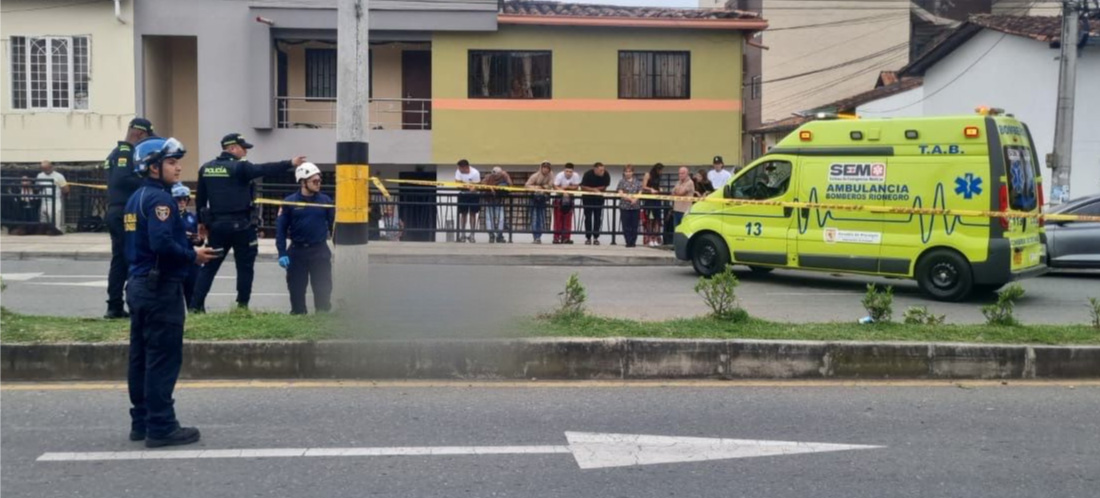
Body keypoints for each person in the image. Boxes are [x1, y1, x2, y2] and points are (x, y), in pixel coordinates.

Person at [124, 137, 218, 448]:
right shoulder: (161, 201)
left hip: (138, 284)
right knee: (162, 358)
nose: (178, 167)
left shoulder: (135, 198)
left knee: (140, 357)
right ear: (153, 167)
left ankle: (142, 421)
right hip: (159, 287)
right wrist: (193, 256)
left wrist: (186, 248)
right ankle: (161, 426)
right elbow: (161, 243)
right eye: (171, 162)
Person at [189, 133, 305, 313]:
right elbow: (264, 169)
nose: (246, 152)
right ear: (232, 148)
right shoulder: (240, 167)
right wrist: (290, 163)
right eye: (244, 148)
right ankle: (242, 306)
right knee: (245, 267)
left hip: (217, 227)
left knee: (209, 266)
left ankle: (196, 306)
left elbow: (200, 200)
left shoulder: (206, 168)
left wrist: (201, 224)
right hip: (242, 226)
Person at [104, 118, 154, 319]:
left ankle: (116, 305)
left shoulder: (115, 152)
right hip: (123, 211)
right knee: (129, 257)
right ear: (141, 134)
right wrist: (147, 181)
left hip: (118, 210)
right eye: (148, 136)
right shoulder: (125, 152)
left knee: (121, 259)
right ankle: (123, 304)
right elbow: (122, 179)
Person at [275, 163, 334, 315]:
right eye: (314, 181)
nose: (318, 184)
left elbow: (334, 227)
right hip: (297, 251)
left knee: (323, 286)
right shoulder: (289, 202)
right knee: (296, 288)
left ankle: (322, 314)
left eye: (319, 180)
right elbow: (280, 230)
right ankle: (298, 315)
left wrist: (338, 247)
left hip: (319, 250)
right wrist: (281, 252)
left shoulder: (326, 201)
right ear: (303, 182)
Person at [172, 183, 204, 309]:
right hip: (174, 258)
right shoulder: (168, 217)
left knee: (195, 297)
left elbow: (200, 239)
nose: (182, 202)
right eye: (178, 199)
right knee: (173, 300)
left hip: (190, 259)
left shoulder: (191, 217)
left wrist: (198, 240)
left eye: (185, 199)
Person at [580, 162, 611, 245]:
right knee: (588, 218)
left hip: (599, 199)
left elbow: (605, 186)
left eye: (603, 170)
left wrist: (596, 190)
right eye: (600, 170)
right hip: (587, 198)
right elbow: (582, 186)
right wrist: (593, 190)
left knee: (598, 218)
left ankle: (596, 237)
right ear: (595, 169)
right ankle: (588, 237)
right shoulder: (588, 174)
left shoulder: (606, 174)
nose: (602, 172)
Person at [525, 161, 554, 244]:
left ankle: (539, 237)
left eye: (547, 168)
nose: (546, 170)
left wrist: (544, 188)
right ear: (541, 168)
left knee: (541, 218)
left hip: (543, 200)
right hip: (534, 199)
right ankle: (535, 237)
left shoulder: (551, 176)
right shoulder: (535, 176)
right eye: (544, 168)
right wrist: (536, 187)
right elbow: (527, 185)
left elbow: (550, 185)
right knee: (534, 218)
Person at [36, 160, 69, 232]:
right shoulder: (40, 175)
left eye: (47, 168)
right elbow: (37, 187)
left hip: (55, 201)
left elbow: (66, 189)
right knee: (43, 219)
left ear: (51, 167)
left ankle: (56, 231)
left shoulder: (59, 176)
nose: (46, 170)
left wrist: (64, 196)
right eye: (44, 169)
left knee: (55, 219)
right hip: (43, 200)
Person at [481, 166, 512, 243]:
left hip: (499, 200)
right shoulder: (489, 177)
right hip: (489, 199)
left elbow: (510, 184)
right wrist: (490, 188)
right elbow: (482, 184)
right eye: (493, 174)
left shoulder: (504, 176)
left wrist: (506, 178)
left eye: (497, 175)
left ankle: (499, 235)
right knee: (489, 218)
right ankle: (491, 235)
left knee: (501, 218)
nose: (495, 176)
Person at [552, 162, 581, 244]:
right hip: (559, 199)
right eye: (567, 171)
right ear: (564, 171)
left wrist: (567, 187)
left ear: (573, 171)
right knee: (558, 219)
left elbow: (576, 187)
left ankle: (566, 238)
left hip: (570, 199)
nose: (568, 173)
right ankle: (556, 238)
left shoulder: (576, 176)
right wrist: (562, 191)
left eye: (570, 171)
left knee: (568, 219)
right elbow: (555, 186)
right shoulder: (559, 175)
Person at [616, 164, 643, 248]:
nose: (628, 173)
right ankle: (628, 241)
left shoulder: (638, 182)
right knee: (626, 225)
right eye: (626, 171)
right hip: (625, 206)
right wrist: (630, 199)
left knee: (635, 225)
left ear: (633, 172)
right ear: (624, 172)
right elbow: (620, 193)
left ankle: (633, 241)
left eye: (630, 171)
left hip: (635, 207)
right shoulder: (621, 181)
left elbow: (640, 192)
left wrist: (635, 199)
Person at [454, 159, 481, 243]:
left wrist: (469, 186)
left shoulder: (475, 173)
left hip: (474, 195)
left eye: (461, 169)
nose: (459, 170)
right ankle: (462, 234)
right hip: (463, 194)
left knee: (473, 214)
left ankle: (472, 235)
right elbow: (458, 183)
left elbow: (476, 186)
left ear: (466, 167)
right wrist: (468, 186)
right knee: (463, 214)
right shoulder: (458, 171)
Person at [641, 163, 665, 247]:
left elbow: (657, 185)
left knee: (657, 219)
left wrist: (660, 188)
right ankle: (650, 237)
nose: (661, 172)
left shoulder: (659, 176)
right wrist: (650, 189)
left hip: (656, 199)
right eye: (660, 170)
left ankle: (655, 238)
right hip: (649, 200)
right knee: (650, 219)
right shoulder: (648, 175)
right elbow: (643, 186)